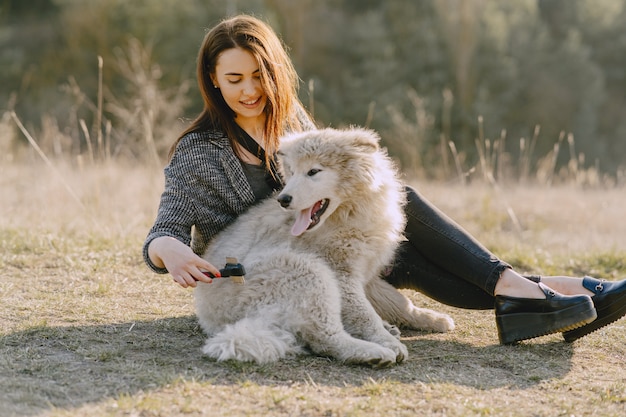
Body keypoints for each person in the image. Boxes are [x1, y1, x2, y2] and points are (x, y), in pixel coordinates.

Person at [143, 14, 626, 345]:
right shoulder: (199, 152)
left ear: (275, 71)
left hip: (345, 257)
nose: (250, 90)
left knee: (403, 221)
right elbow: (162, 233)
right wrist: (174, 252)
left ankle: (560, 295)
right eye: (234, 79)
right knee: (412, 215)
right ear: (213, 79)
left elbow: (342, 189)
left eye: (259, 74)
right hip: (283, 279)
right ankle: (564, 293)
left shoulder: (294, 124)